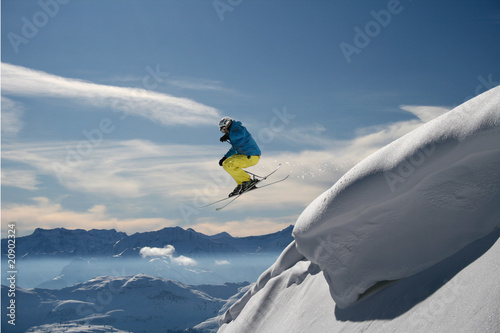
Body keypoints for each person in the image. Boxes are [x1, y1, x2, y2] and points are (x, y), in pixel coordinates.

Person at [218, 116, 261, 197]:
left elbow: (241, 134)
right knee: (226, 164)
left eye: (223, 129)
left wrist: (229, 136)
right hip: (244, 155)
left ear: (227, 125)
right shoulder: (233, 134)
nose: (224, 132)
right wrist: (225, 157)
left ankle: (247, 181)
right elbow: (234, 148)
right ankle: (241, 184)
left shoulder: (237, 128)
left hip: (251, 156)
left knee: (228, 164)